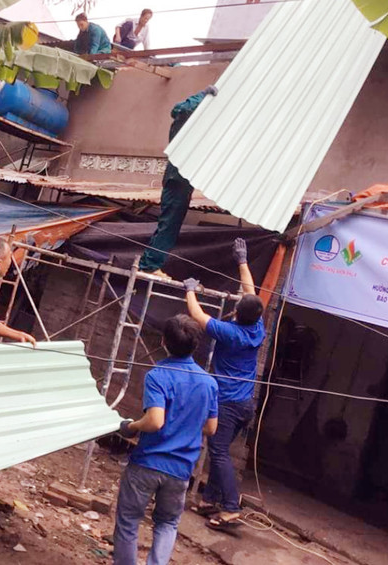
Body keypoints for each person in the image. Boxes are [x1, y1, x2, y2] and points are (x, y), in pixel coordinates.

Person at [114, 314, 218, 565]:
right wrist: (186, 426)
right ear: (196, 345)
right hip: (181, 469)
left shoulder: (158, 375)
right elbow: (211, 428)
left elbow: (155, 421)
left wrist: (132, 426)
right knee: (168, 524)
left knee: (128, 521)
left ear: (163, 342)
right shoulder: (209, 383)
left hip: (147, 463)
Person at [183, 238, 266, 531]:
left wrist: (190, 289)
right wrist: (242, 260)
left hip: (228, 404)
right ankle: (210, 500)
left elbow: (197, 315)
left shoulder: (230, 332)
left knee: (217, 452)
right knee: (221, 452)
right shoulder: (256, 327)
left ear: (237, 314)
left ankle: (231, 507)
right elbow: (250, 292)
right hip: (245, 405)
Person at [139, 86, 218, 278]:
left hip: (180, 179)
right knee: (170, 224)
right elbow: (183, 108)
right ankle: (149, 265)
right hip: (178, 179)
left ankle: (150, 263)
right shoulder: (184, 121)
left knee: (170, 223)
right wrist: (204, 95)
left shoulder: (189, 127)